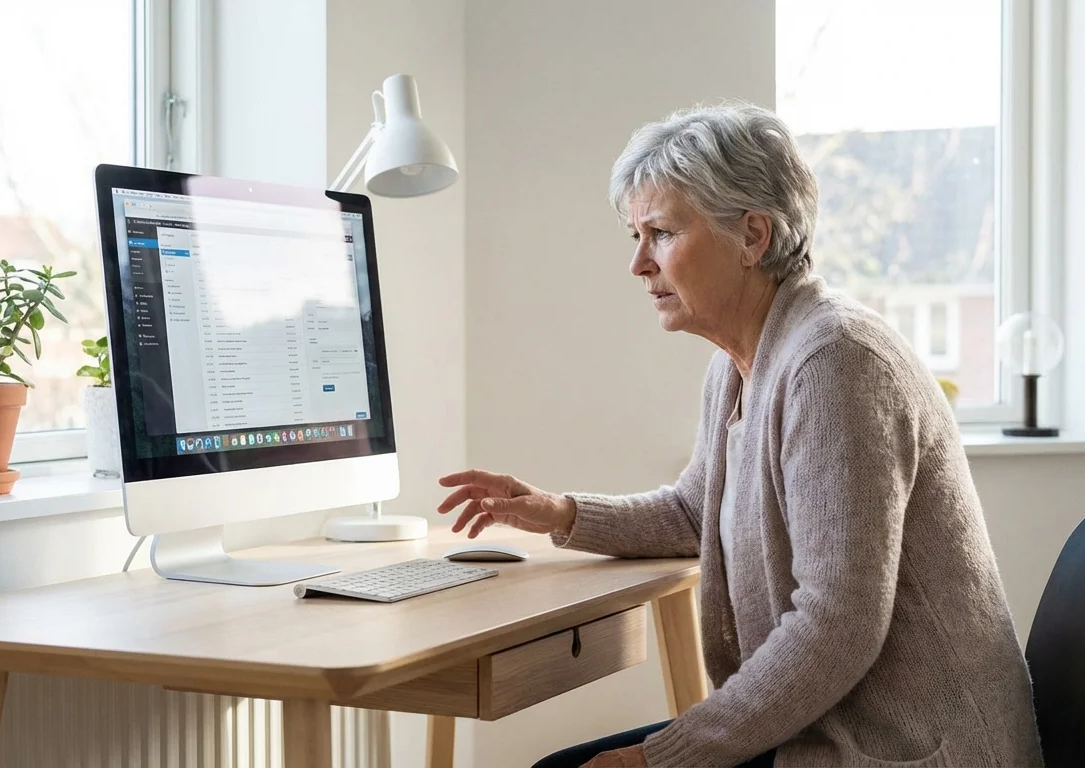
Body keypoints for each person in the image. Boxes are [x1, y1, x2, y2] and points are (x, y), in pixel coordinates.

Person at [436, 102, 1043, 768]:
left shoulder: (835, 361)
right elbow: (697, 510)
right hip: (824, 726)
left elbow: (837, 626)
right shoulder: (740, 366)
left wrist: (662, 757)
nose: (639, 264)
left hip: (908, 749)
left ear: (753, 236)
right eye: (635, 237)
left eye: (662, 232)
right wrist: (560, 512)